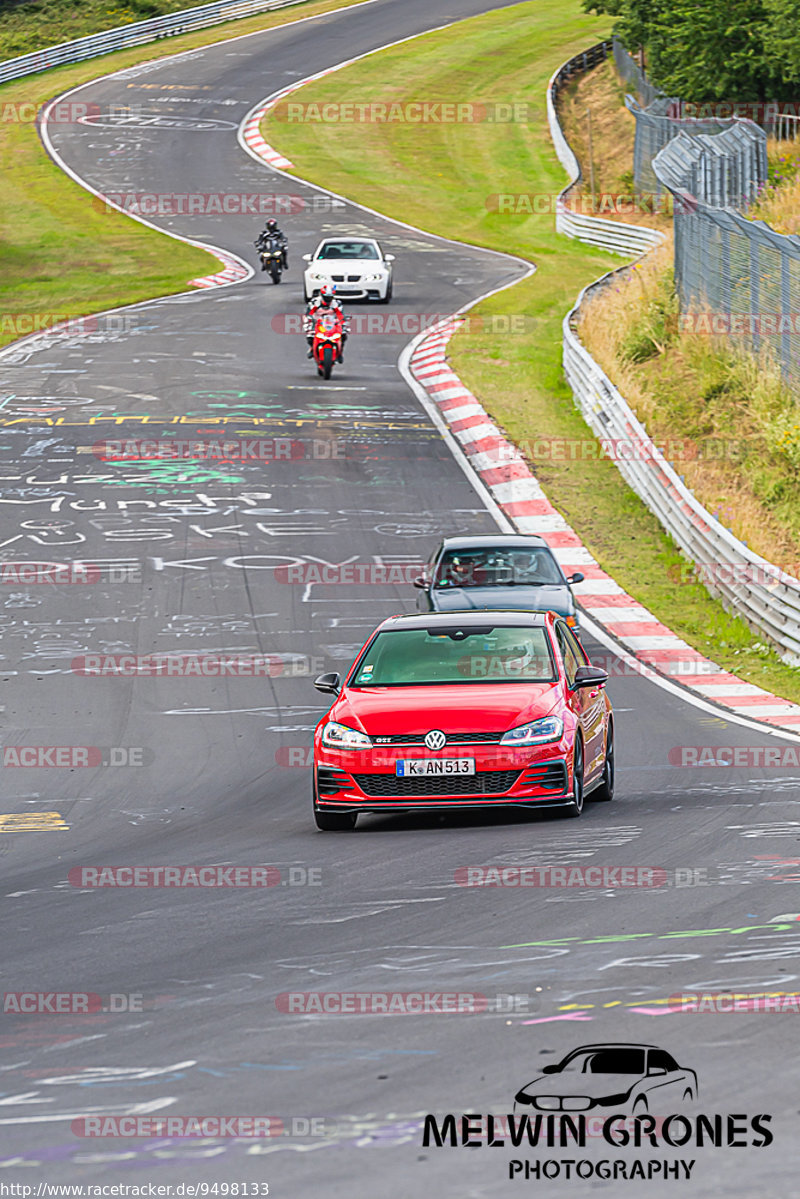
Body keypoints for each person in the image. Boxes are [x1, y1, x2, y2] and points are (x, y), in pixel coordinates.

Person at [304, 284, 349, 362]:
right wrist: (309, 323)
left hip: (331, 322)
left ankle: (340, 352)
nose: (328, 299)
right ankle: (312, 348)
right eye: (326, 297)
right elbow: (308, 314)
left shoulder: (337, 303)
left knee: (344, 335)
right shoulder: (314, 302)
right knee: (310, 335)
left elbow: (341, 316)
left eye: (330, 297)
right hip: (317, 322)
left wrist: (343, 325)